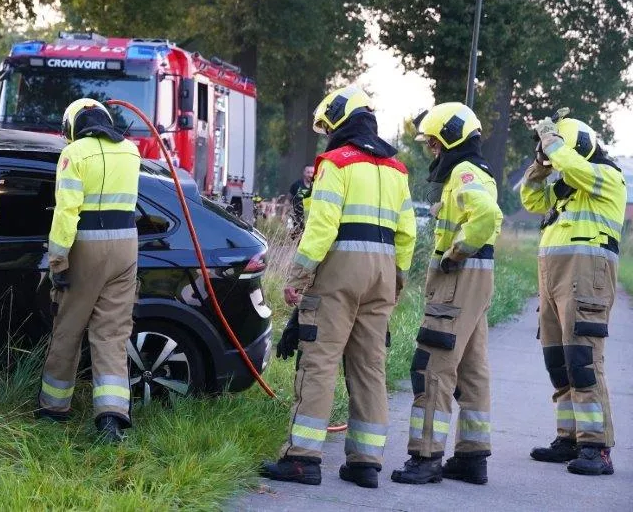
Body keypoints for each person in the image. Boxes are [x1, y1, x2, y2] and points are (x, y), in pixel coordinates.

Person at [261, 85, 416, 488]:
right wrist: (396, 278)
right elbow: (407, 234)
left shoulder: (336, 163)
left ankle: (302, 458)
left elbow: (322, 226)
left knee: (320, 362)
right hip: (383, 272)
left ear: (342, 123)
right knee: (369, 368)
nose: (327, 134)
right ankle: (366, 462)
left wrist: (298, 276)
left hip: (340, 273)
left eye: (329, 126)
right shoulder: (397, 170)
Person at [392, 103, 502, 485]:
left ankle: (426, 457)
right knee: (472, 368)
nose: (432, 152)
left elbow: (486, 216)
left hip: (459, 278)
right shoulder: (478, 172)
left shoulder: (464, 172)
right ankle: (472, 458)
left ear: (453, 139)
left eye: (435, 144)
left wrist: (456, 252)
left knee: (434, 366)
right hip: (476, 280)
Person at [521, 115, 624, 476]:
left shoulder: (606, 177)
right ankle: (569, 438)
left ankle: (597, 446)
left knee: (583, 359)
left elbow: (574, 167)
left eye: (557, 149)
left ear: (575, 147)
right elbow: (530, 199)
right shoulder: (566, 184)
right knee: (558, 361)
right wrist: (539, 166)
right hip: (552, 276)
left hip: (587, 274)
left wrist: (554, 145)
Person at [37, 98, 141, 444]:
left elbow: (66, 212)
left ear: (72, 126)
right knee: (112, 333)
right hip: (126, 247)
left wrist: (58, 262)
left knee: (69, 327)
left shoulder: (74, 154)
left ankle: (54, 409)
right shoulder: (131, 151)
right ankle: (111, 417)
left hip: (87, 246)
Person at [289, 165, 315, 232]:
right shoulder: (296, 185)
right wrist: (285, 215)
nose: (310, 175)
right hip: (297, 218)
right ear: (304, 173)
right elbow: (288, 200)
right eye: (308, 172)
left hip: (312, 218)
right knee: (297, 237)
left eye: (312, 172)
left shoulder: (317, 186)